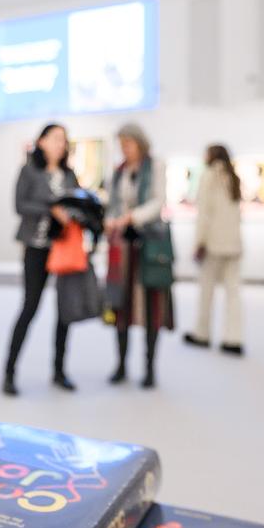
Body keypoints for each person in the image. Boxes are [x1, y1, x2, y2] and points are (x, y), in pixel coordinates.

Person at [3, 124, 79, 396]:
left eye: (64, 140)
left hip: (63, 248)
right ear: (42, 141)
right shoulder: (29, 170)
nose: (61, 144)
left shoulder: (68, 175)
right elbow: (20, 205)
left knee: (65, 311)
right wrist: (51, 210)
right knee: (30, 307)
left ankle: (59, 370)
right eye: (56, 138)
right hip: (36, 247)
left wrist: (76, 213)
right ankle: (9, 372)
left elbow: (77, 205)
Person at [105, 123, 173, 389]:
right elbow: (113, 205)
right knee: (120, 305)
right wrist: (112, 221)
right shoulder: (118, 172)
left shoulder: (155, 166)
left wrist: (132, 217)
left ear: (139, 142)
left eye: (128, 144)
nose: (124, 149)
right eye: (121, 144)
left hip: (149, 246)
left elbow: (158, 202)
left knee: (151, 307)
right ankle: (121, 364)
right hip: (123, 248)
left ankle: (149, 367)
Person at [184, 144, 243, 355]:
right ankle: (234, 338)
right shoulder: (233, 177)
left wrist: (199, 242)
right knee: (233, 293)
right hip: (233, 244)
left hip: (213, 244)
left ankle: (202, 333)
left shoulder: (209, 176)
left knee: (206, 291)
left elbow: (204, 215)